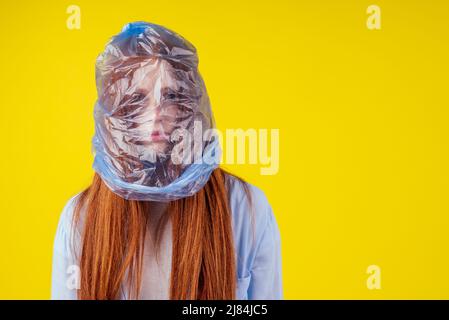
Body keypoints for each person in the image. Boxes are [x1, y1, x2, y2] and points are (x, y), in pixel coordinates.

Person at [51, 21, 282, 300]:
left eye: (170, 95)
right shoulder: (82, 219)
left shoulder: (246, 209)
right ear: (114, 114)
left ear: (191, 104)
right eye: (136, 98)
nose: (155, 113)